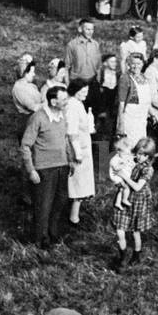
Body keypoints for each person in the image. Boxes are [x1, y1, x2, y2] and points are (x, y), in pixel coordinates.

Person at [20, 86, 73, 249]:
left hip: (62, 166)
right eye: (63, 99)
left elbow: (65, 140)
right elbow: (25, 146)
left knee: (60, 201)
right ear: (53, 101)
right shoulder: (38, 118)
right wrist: (31, 170)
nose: (66, 102)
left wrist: (69, 159)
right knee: (44, 205)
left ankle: (52, 232)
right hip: (44, 169)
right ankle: (41, 239)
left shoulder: (62, 116)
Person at [111, 138, 154, 271]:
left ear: (149, 156)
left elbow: (136, 187)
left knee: (135, 232)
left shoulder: (148, 169)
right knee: (120, 229)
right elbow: (118, 162)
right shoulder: (132, 160)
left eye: (144, 155)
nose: (140, 157)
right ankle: (123, 255)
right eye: (139, 153)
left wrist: (123, 176)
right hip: (126, 197)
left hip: (138, 201)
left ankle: (136, 254)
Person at [65, 80, 95, 228]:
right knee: (78, 183)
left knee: (80, 182)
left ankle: (73, 214)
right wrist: (77, 153)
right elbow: (71, 133)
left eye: (87, 91)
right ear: (74, 91)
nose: (85, 94)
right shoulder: (72, 106)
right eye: (82, 91)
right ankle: (73, 217)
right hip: (77, 149)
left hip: (83, 145)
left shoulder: (78, 103)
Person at [65, 19, 102, 110]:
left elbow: (98, 66)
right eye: (87, 29)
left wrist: (98, 82)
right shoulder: (72, 45)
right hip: (78, 83)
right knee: (79, 109)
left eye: (92, 29)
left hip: (92, 82)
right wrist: (68, 86)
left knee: (94, 109)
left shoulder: (95, 45)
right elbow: (66, 67)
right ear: (80, 29)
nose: (90, 32)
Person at [116, 53, 151, 147]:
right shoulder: (125, 78)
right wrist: (121, 123)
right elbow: (121, 104)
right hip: (130, 118)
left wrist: (151, 113)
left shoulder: (144, 77)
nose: (136, 66)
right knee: (130, 145)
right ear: (128, 64)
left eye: (139, 63)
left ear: (143, 64)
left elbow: (147, 99)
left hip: (142, 117)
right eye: (133, 63)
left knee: (141, 144)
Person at [12, 59, 42, 142]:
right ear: (24, 73)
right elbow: (33, 107)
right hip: (27, 123)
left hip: (36, 120)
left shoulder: (31, 86)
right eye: (32, 72)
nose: (34, 74)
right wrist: (49, 103)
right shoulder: (18, 88)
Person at [109, 137, 136, 212]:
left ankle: (117, 203)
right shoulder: (115, 159)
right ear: (118, 151)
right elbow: (116, 168)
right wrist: (123, 164)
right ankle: (124, 200)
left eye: (128, 153)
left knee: (121, 190)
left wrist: (131, 163)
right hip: (117, 178)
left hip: (120, 177)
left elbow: (131, 164)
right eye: (125, 154)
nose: (127, 155)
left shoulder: (123, 157)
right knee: (126, 188)